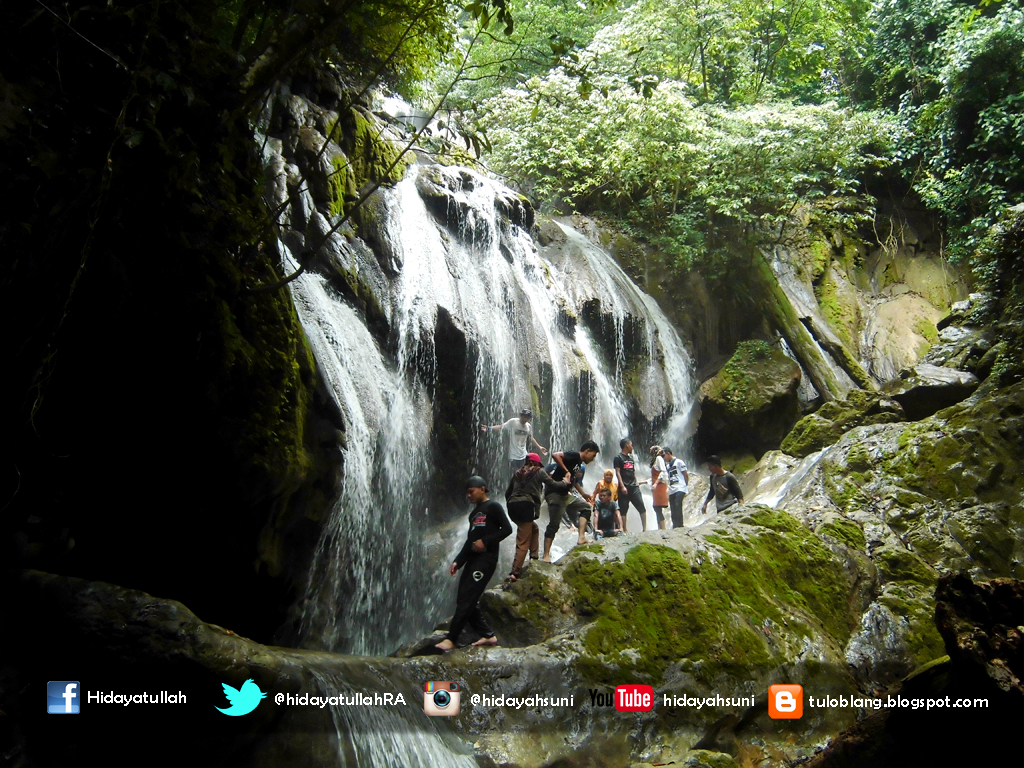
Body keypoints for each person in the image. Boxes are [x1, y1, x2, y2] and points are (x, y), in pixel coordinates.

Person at [435, 476, 512, 652]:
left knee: (468, 597)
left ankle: (451, 639)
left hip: (486, 560)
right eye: (467, 493)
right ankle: (488, 635)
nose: (469, 496)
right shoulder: (473, 514)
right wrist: (458, 561)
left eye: (471, 492)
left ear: (482, 489)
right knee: (463, 598)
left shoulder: (493, 507)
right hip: (472, 560)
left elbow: (507, 529)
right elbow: (470, 541)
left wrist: (485, 541)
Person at [504, 453, 569, 581]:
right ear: (536, 463)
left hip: (512, 505)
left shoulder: (517, 473)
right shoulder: (539, 471)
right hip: (526, 505)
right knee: (523, 540)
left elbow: (508, 493)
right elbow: (553, 484)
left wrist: (513, 504)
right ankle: (515, 572)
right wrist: (565, 482)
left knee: (533, 529)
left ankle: (534, 557)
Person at [543, 440, 600, 560]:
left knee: (586, 508)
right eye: (593, 455)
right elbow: (555, 455)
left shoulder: (578, 463)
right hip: (555, 493)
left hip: (565, 495)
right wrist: (567, 471)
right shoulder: (575, 455)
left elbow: (573, 481)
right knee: (554, 525)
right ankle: (546, 555)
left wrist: (583, 494)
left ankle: (581, 538)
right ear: (587, 451)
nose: (593, 459)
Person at [481, 408, 547, 477]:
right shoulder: (513, 422)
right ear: (521, 416)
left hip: (523, 455)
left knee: (523, 475)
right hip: (513, 455)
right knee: (513, 476)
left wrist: (539, 447)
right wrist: (489, 428)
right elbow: (501, 426)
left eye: (527, 417)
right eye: (524, 416)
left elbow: (530, 437)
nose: (525, 419)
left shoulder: (528, 426)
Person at [614, 438, 648, 532]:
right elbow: (618, 472)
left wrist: (636, 482)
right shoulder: (618, 458)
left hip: (634, 487)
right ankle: (625, 529)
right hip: (624, 487)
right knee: (623, 509)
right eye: (631, 445)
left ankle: (645, 529)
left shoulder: (631, 459)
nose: (632, 447)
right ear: (627, 446)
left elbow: (633, 472)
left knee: (641, 506)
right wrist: (622, 486)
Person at [662, 447, 690, 528]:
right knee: (673, 507)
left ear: (668, 453)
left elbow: (685, 474)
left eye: (664, 456)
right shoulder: (668, 466)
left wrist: (685, 485)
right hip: (672, 489)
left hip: (680, 488)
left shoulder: (679, 462)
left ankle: (680, 525)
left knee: (678, 505)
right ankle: (675, 525)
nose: (664, 458)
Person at [649, 445, 669, 530]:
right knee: (657, 507)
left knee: (657, 507)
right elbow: (654, 477)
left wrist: (655, 484)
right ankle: (660, 528)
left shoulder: (659, 459)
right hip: (657, 486)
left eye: (651, 451)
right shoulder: (656, 460)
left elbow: (663, 472)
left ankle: (663, 528)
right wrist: (642, 482)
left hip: (660, 486)